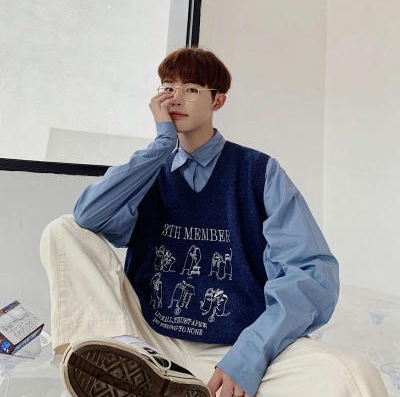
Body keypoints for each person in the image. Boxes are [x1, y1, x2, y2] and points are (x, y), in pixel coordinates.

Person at [40, 47, 388, 397]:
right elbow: (87, 217)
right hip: (150, 338)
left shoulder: (259, 172)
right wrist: (161, 145)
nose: (176, 98)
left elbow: (312, 272)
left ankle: (185, 381)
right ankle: (124, 356)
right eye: (168, 87)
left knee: (353, 376)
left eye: (191, 89)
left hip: (235, 345)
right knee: (62, 229)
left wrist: (250, 353)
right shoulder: (150, 171)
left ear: (217, 101)